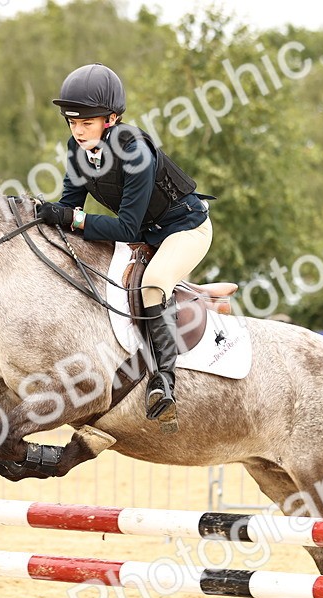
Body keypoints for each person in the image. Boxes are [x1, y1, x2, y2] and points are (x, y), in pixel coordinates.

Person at [36, 63, 213, 424]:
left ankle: (163, 381)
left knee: (153, 283)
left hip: (184, 229)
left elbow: (125, 227)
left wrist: (72, 219)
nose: (78, 131)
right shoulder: (77, 149)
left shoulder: (135, 151)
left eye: (87, 123)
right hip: (146, 234)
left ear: (112, 119)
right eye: (72, 123)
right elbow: (70, 206)